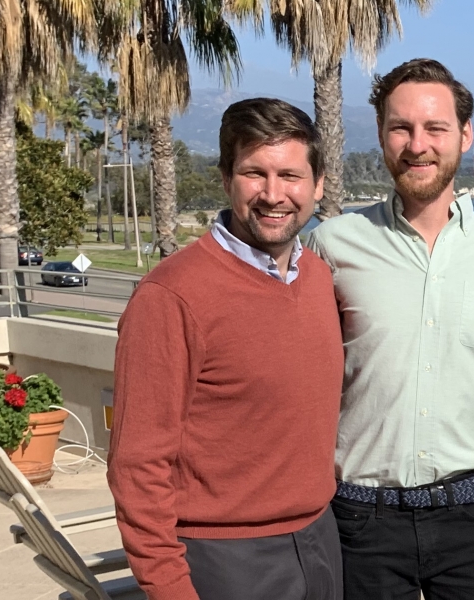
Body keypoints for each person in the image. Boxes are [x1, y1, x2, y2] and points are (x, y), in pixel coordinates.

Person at [305, 58, 474, 600]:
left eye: (435, 128)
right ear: (382, 134)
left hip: (472, 518)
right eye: (400, 127)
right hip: (360, 521)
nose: (417, 144)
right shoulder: (331, 246)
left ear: (465, 135)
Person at [109, 97, 343, 600]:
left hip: (322, 539)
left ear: (318, 185)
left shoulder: (321, 279)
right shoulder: (171, 296)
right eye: (254, 173)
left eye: (291, 175)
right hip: (224, 559)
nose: (274, 194)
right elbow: (137, 466)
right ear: (225, 178)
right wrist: (170, 588)